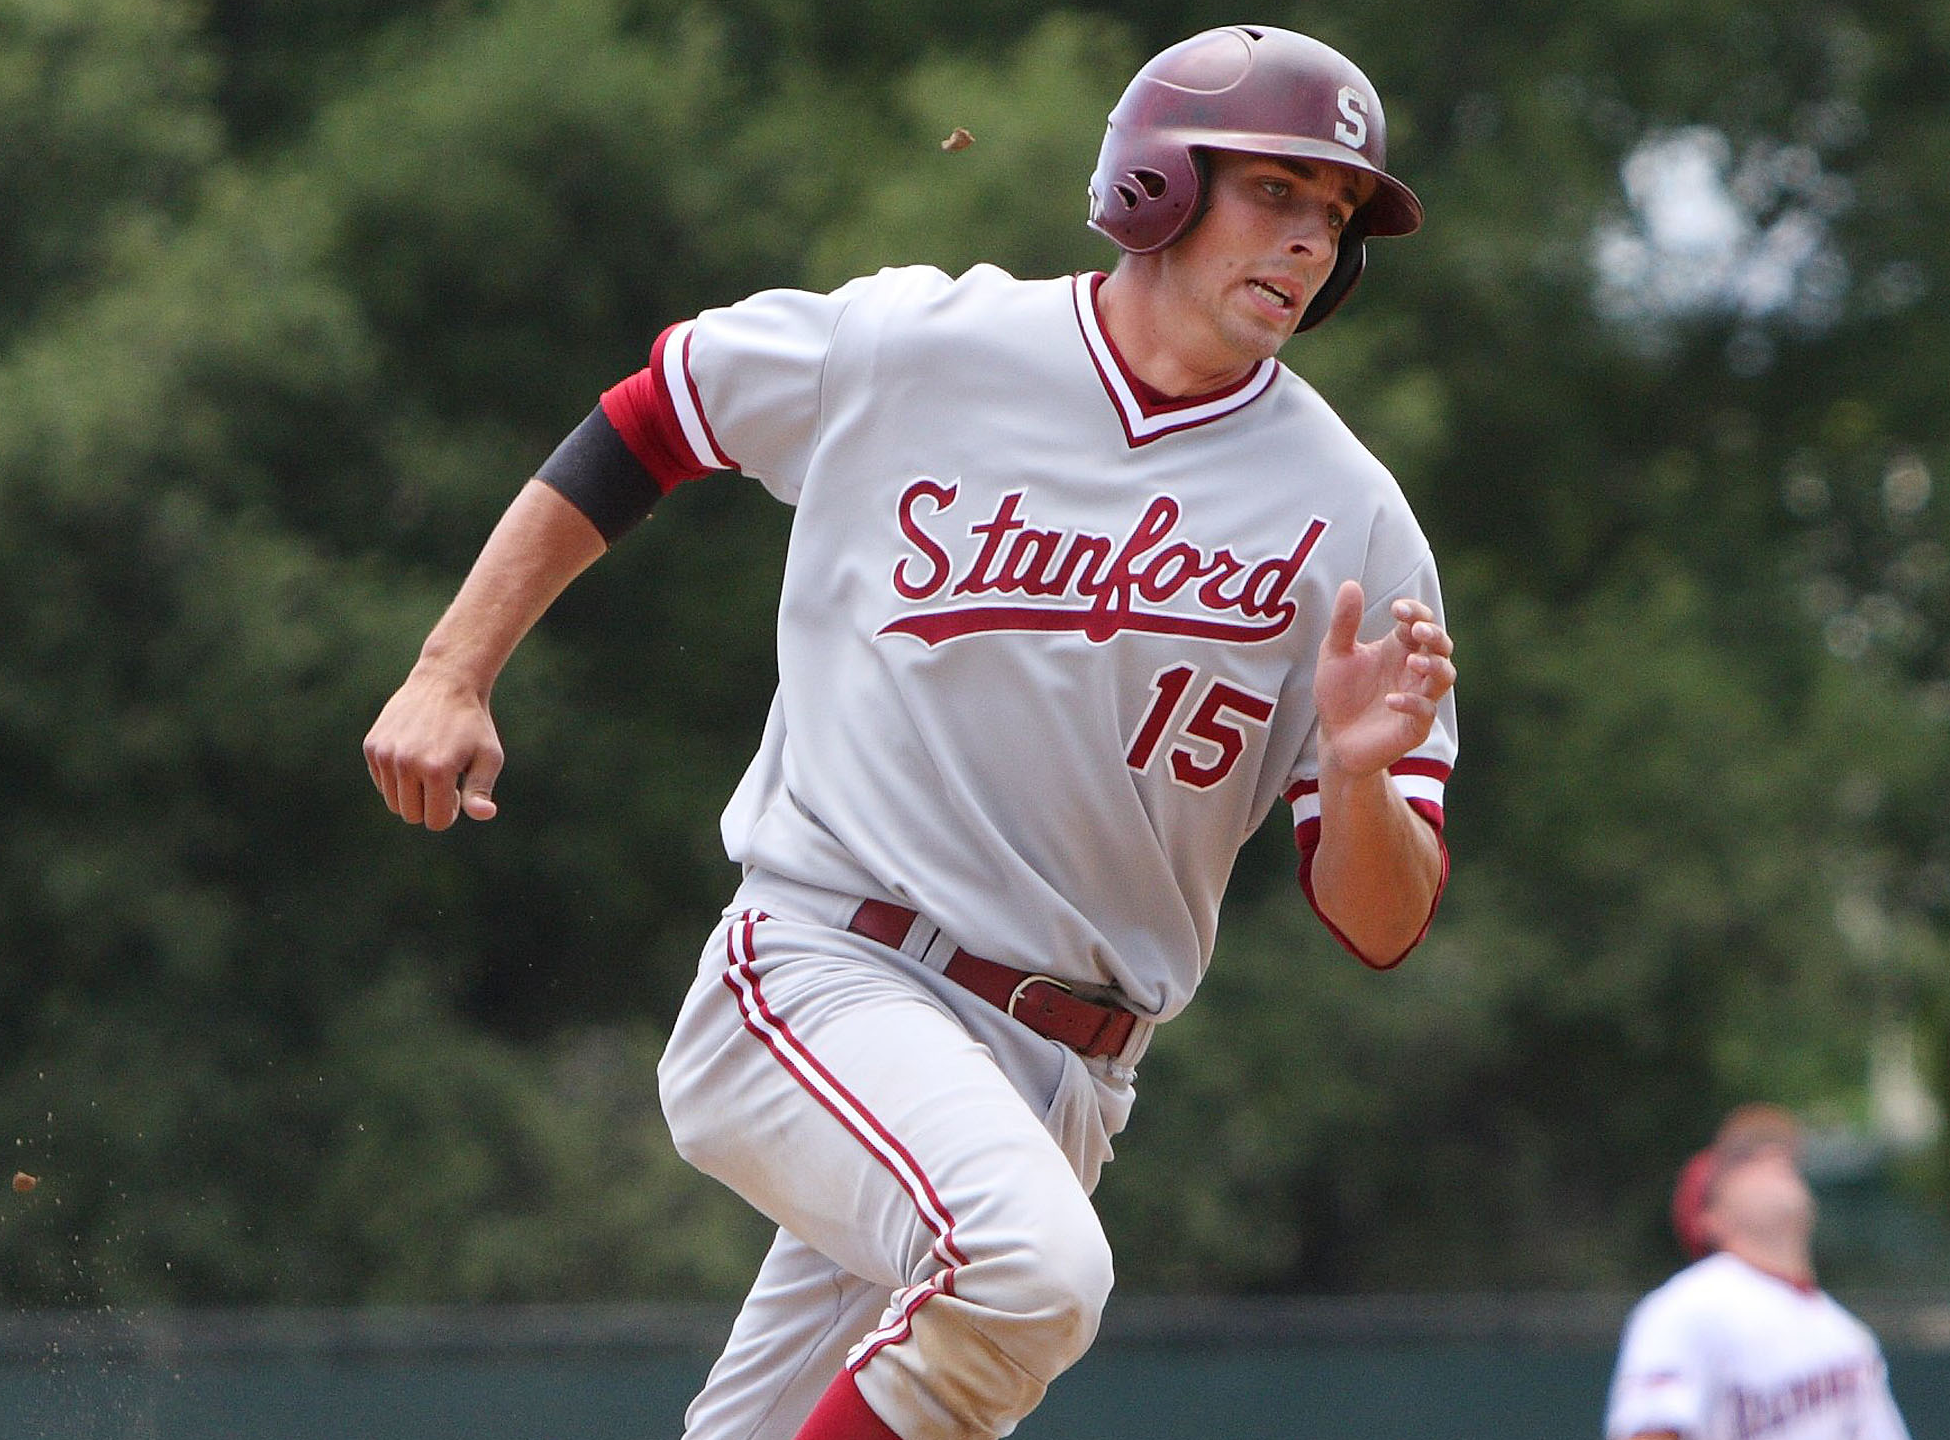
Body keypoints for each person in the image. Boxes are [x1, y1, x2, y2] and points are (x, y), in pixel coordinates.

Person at [357, 25, 1454, 1440]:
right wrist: (453, 670)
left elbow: (1379, 920)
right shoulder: (922, 346)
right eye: (1275, 192)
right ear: (1157, 187)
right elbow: (653, 415)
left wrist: (1359, 780)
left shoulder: (1352, 518)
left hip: (1071, 1076)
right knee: (1030, 1275)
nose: (1309, 241)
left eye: (1337, 215)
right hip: (825, 971)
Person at [1605, 1105, 1915, 1440]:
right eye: (1748, 1163)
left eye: (1783, 1158)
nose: (1775, 1162)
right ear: (1708, 1219)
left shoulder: (1848, 1336)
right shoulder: (1689, 1305)